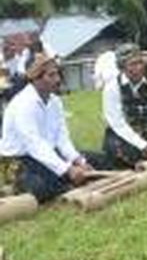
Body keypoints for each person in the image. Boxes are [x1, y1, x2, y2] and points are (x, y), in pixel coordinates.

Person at [0, 55, 103, 203]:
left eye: (57, 73)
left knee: (98, 160)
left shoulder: (55, 101)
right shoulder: (23, 104)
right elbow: (34, 146)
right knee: (46, 186)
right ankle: (16, 185)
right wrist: (68, 169)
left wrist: (79, 161)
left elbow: (62, 138)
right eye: (51, 75)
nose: (58, 79)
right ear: (36, 78)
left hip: (45, 153)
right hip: (19, 159)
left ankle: (66, 180)